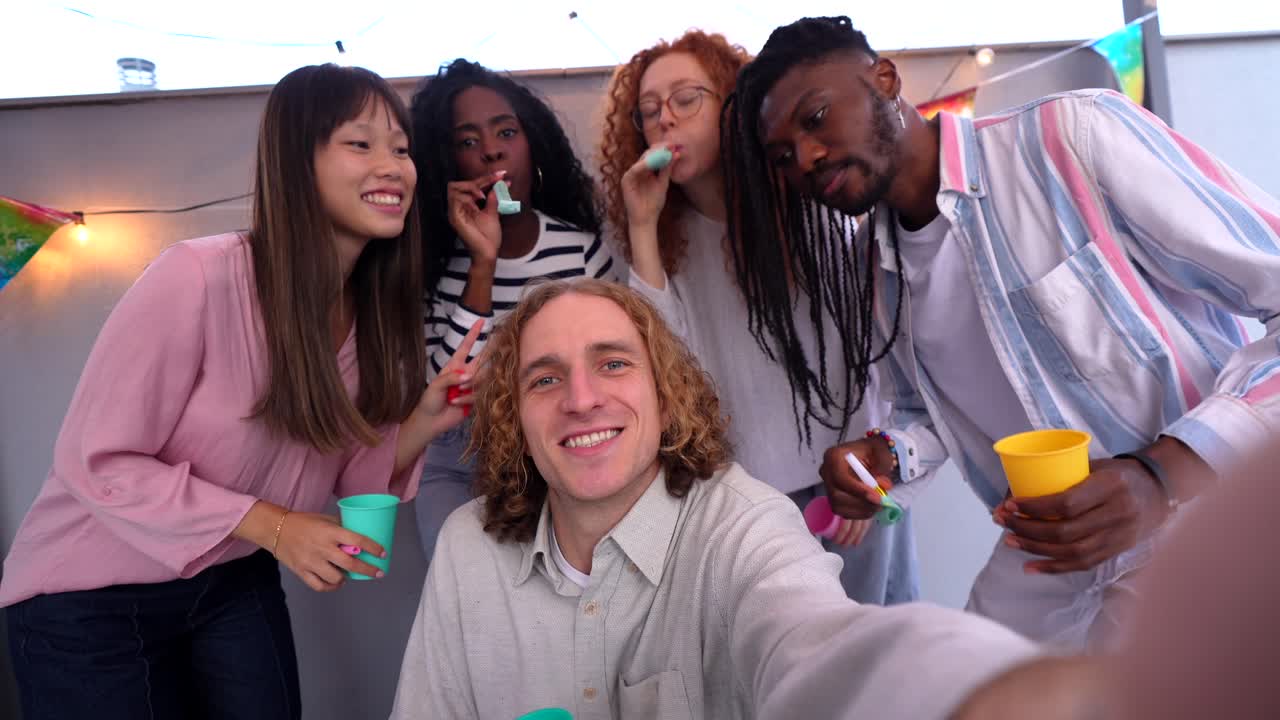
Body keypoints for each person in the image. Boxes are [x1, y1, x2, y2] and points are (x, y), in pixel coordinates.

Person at [722, 15, 1280, 648]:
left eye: (815, 117)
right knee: (971, 688)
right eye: (783, 156)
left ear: (883, 78)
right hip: (1049, 557)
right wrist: (883, 454)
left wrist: (1162, 474)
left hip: (1215, 522)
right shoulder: (871, 271)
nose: (807, 158)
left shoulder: (1069, 139)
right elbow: (930, 412)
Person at [386, 278, 1099, 720]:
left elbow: (819, 644)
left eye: (612, 363)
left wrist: (977, 690)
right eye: (544, 379)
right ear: (515, 418)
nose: (580, 399)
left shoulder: (743, 525)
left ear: (666, 399)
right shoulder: (467, 546)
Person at [0, 64, 480, 719]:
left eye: (400, 148)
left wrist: (424, 421)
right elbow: (98, 460)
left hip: (230, 579)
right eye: (361, 144)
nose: (393, 165)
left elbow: (338, 470)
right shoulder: (198, 277)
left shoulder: (362, 316)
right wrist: (277, 528)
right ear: (296, 161)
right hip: (89, 600)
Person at [597, 29, 919, 604]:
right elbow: (662, 371)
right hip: (744, 506)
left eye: (685, 98)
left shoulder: (818, 205)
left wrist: (873, 469)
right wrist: (642, 227)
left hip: (848, 484)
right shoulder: (660, 241)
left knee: (879, 659)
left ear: (734, 107)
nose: (665, 119)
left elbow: (873, 353)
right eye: (649, 111)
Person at [409, 58, 618, 564]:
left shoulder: (582, 251)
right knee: (469, 612)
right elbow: (444, 392)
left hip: (556, 454)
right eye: (467, 141)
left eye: (506, 131)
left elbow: (614, 366)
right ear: (447, 163)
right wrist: (482, 261)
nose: (492, 150)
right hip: (459, 462)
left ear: (532, 144)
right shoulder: (434, 264)